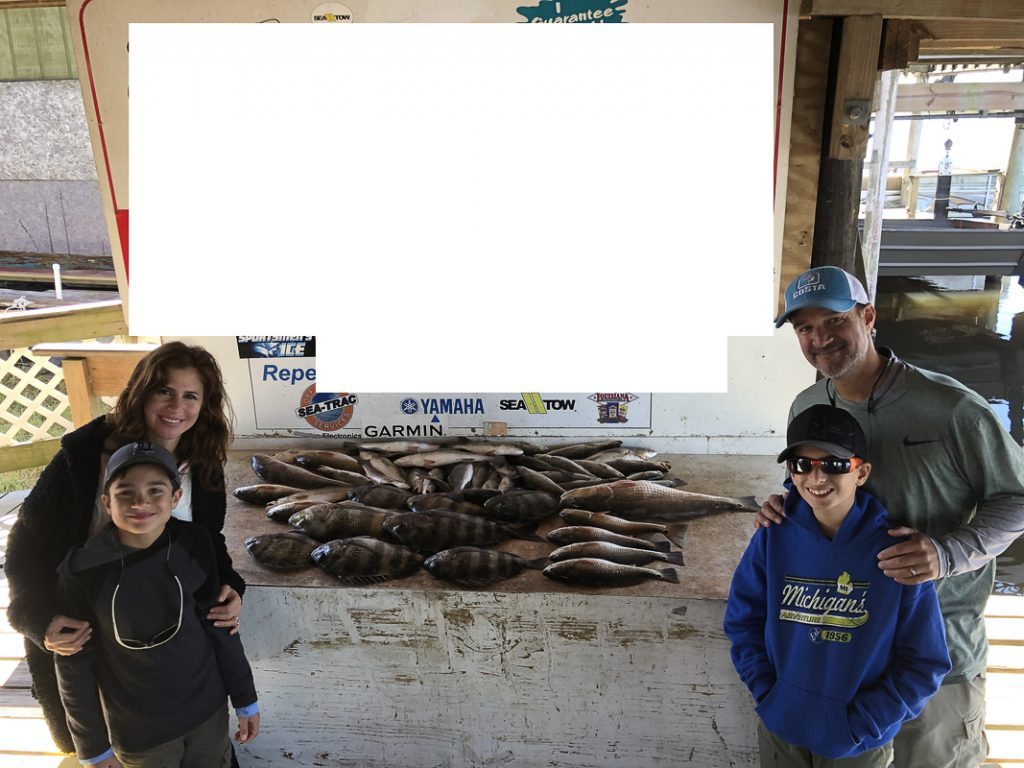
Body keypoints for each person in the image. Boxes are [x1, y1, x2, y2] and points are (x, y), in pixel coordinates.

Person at [763, 265, 1024, 768]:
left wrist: (947, 554)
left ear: (869, 316)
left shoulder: (952, 408)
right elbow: (816, 486)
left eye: (834, 321)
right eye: (805, 329)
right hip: (843, 656)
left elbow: (1016, 497)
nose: (820, 339)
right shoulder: (808, 403)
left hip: (938, 654)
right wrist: (786, 504)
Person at [4, 341, 245, 755]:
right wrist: (36, 616)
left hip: (170, 637)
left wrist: (229, 584)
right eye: (164, 391)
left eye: (191, 396)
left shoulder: (203, 463)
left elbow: (211, 540)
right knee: (97, 745)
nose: (176, 407)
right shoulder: (83, 455)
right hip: (91, 629)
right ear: (140, 392)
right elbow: (27, 544)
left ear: (204, 406)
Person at [725, 403, 950, 766]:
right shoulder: (772, 537)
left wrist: (868, 721)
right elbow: (742, 620)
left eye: (833, 464)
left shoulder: (896, 552)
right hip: (781, 728)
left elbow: (925, 662)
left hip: (859, 743)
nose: (816, 478)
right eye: (802, 464)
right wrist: (769, 695)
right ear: (790, 471)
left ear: (861, 473)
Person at [55, 441, 259, 767]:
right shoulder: (83, 569)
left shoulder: (194, 543)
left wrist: (246, 699)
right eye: (125, 492)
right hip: (140, 732)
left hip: (208, 712)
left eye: (155, 490)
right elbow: (72, 663)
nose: (140, 502)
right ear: (106, 503)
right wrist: (92, 748)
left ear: (175, 498)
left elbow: (221, 624)